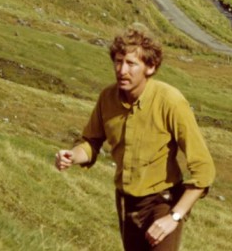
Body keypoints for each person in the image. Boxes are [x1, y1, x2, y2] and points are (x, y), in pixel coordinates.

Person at [55, 23, 215, 251]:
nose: (122, 70)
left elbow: (204, 169)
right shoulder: (107, 98)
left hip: (162, 202)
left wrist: (174, 217)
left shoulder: (170, 101)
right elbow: (91, 143)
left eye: (131, 63)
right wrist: (72, 156)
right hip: (126, 202)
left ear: (150, 67)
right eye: (118, 61)